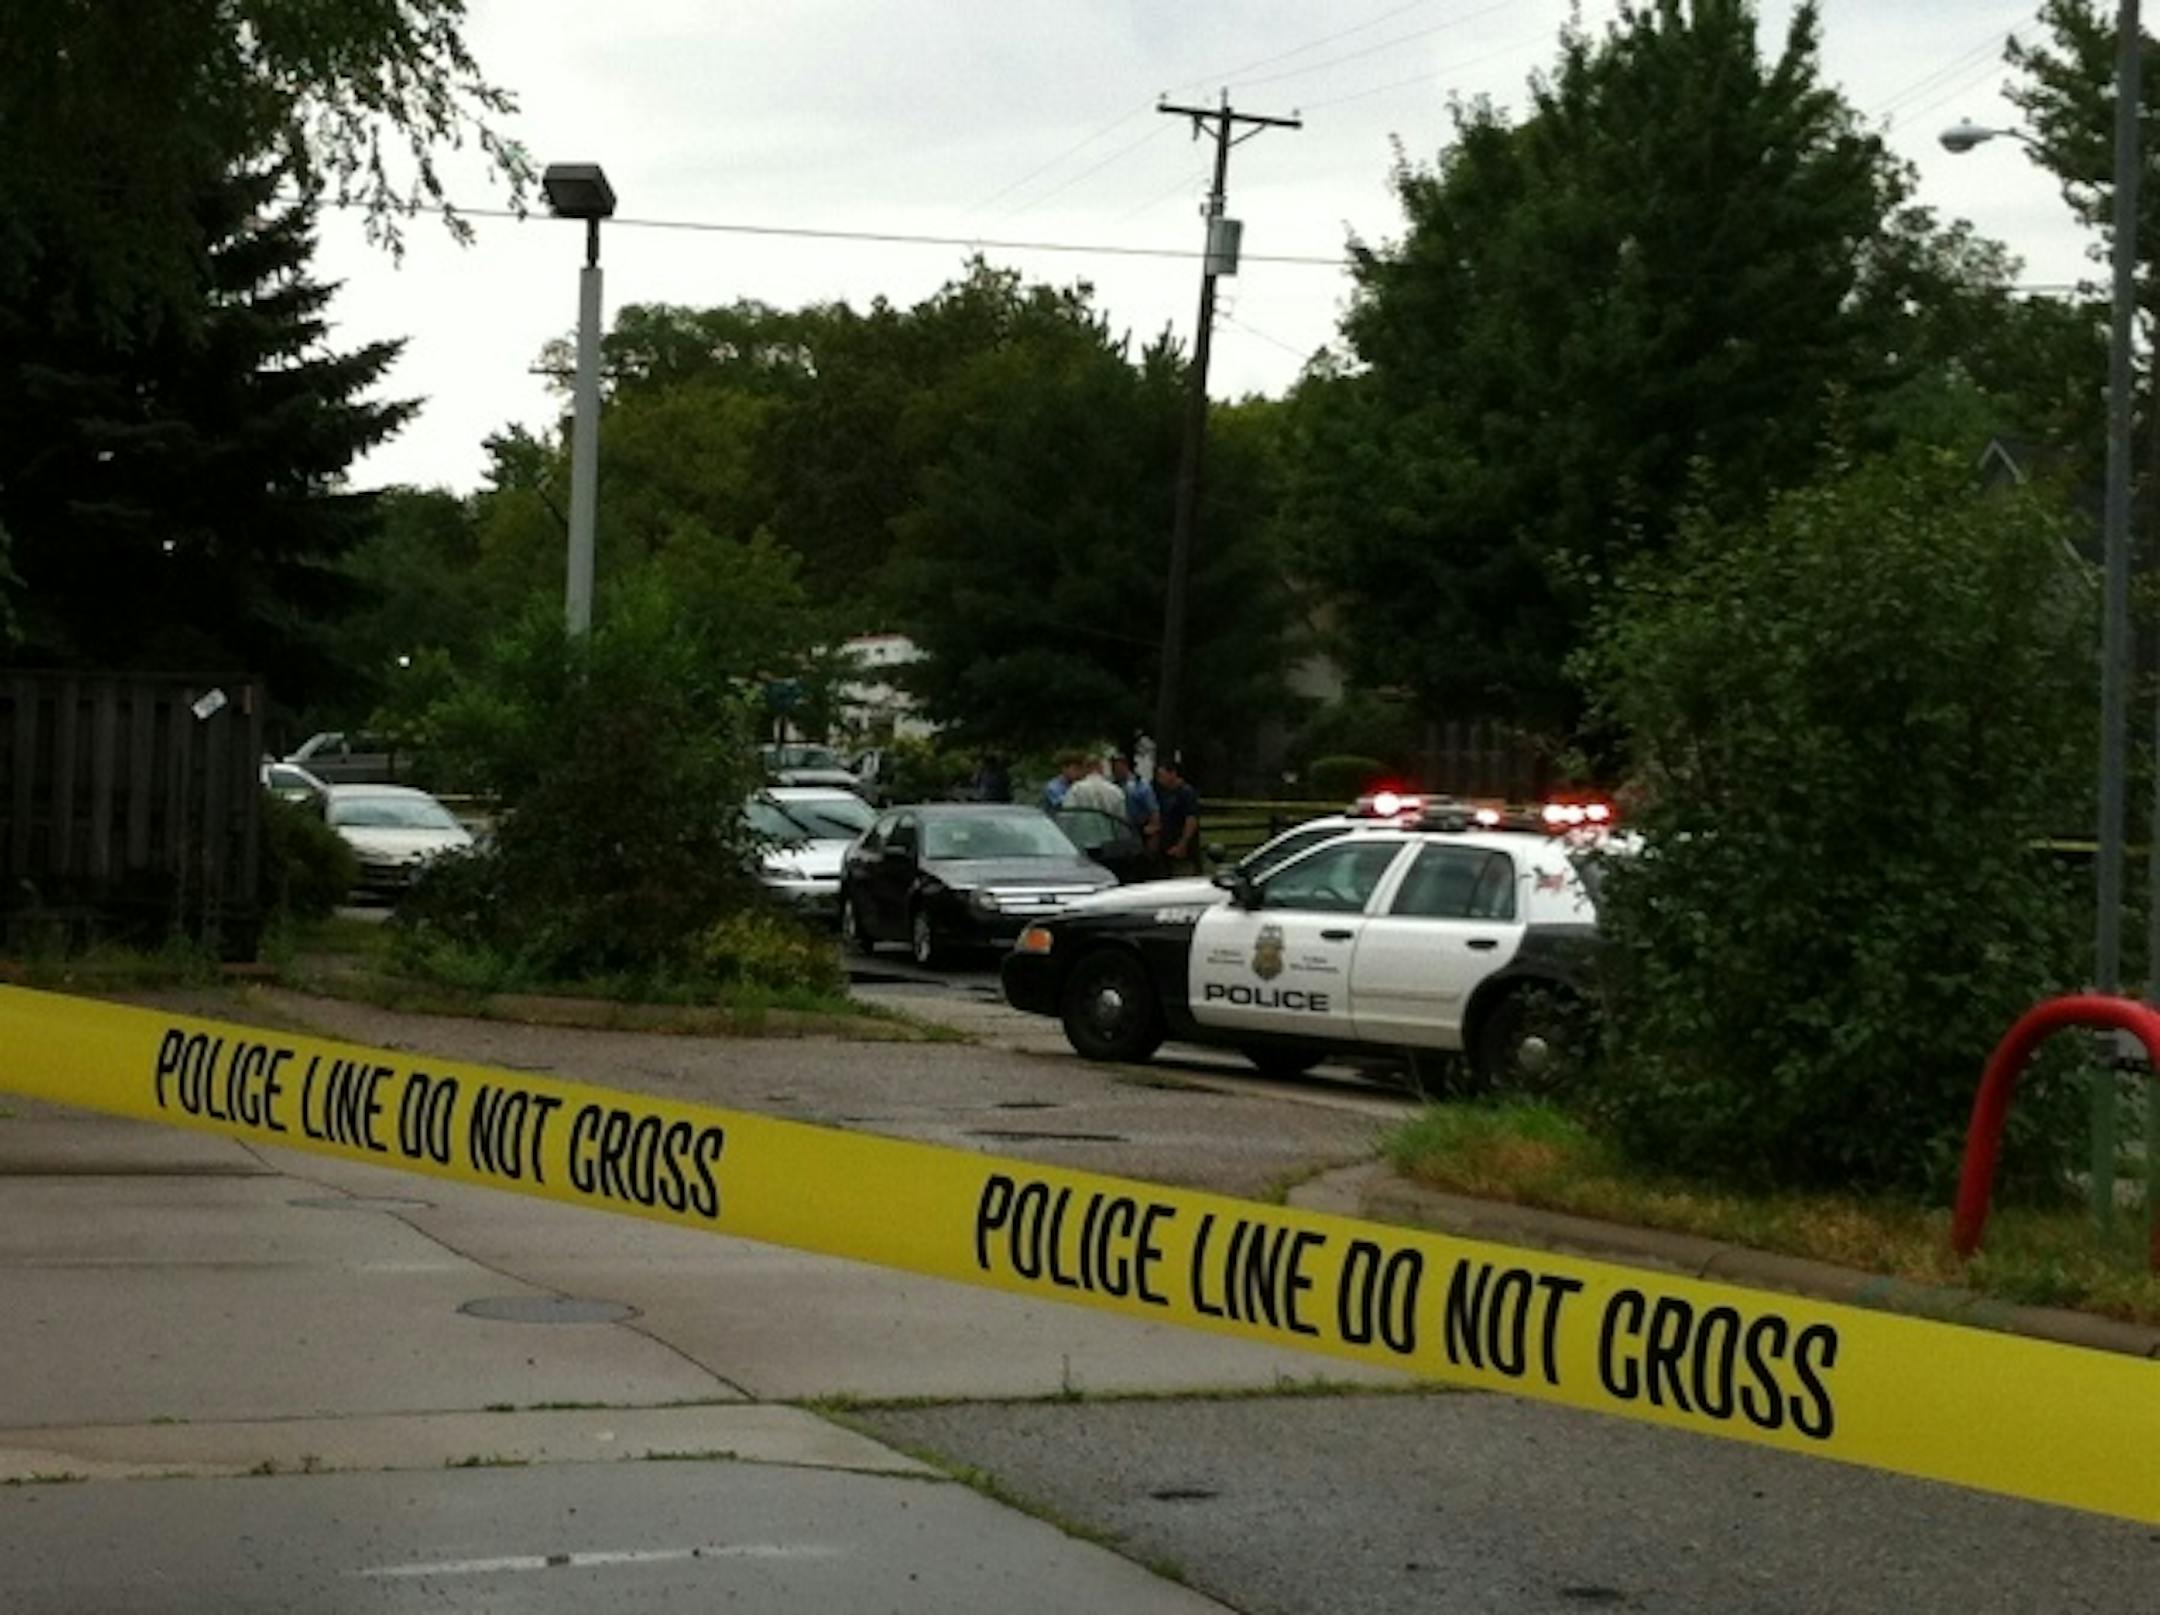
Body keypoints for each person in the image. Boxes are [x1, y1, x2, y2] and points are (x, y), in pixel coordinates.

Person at [1155, 758, 1201, 873]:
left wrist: (1182, 844)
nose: (1159, 779)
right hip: (1167, 848)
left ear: (1173, 774)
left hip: (1183, 850)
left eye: (1162, 775)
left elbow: (1191, 820)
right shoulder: (1164, 793)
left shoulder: (1186, 792)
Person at [1110, 752, 1159, 847]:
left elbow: (1153, 810)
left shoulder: (1141, 785)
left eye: (1118, 767)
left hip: (1139, 829)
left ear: (1126, 766)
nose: (1116, 771)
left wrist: (1154, 831)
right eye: (1114, 768)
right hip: (1119, 830)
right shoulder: (1112, 786)